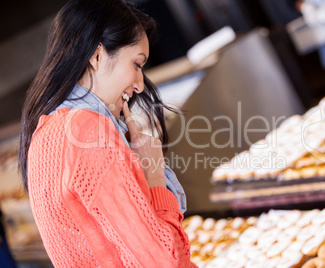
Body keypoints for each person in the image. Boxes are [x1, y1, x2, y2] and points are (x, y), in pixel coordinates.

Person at [18, 0, 195, 267]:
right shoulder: (87, 131)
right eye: (137, 64)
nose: (139, 85)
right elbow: (165, 262)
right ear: (97, 56)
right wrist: (154, 173)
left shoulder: (44, 132)